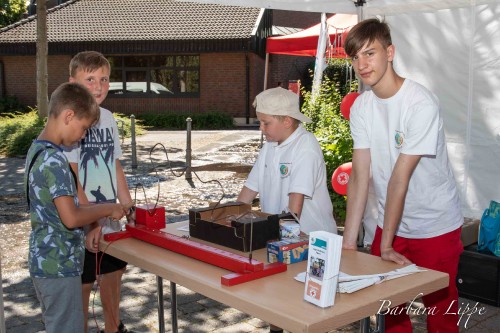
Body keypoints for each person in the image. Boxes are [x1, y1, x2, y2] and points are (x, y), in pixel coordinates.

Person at [342, 18, 463, 333]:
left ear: (390, 52)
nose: (362, 64)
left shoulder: (419, 102)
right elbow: (360, 174)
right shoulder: (361, 108)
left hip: (434, 222)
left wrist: (385, 246)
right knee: (391, 311)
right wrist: (349, 242)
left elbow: (400, 177)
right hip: (391, 221)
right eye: (355, 57)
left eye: (370, 53)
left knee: (441, 314)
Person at [25, 82, 126, 333]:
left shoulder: (37, 149)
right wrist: (106, 208)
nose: (82, 136)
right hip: (59, 266)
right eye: (83, 129)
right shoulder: (55, 160)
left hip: (44, 262)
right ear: (69, 116)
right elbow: (71, 217)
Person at [237, 87, 337, 333]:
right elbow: (248, 192)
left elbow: (295, 209)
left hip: (311, 241)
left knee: (304, 312)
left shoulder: (306, 148)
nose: (261, 129)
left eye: (265, 123)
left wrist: (276, 248)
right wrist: (231, 223)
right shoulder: (271, 145)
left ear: (287, 121)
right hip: (279, 237)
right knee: (277, 304)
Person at [64, 51, 136, 333]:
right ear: (73, 82)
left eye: (104, 79)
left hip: (109, 215)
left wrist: (129, 206)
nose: (98, 86)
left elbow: (114, 163)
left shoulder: (107, 118)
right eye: (90, 79)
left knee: (113, 273)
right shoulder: (68, 120)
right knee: (83, 283)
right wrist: (91, 221)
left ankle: (112, 327)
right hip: (80, 218)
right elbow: (71, 174)